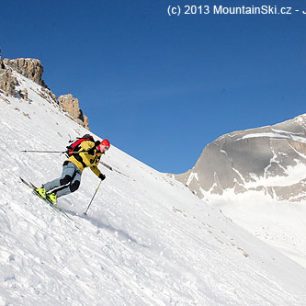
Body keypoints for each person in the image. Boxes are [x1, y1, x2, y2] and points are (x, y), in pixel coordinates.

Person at [35, 138, 111, 206]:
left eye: (107, 149)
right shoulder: (93, 144)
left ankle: (53, 195)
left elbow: (93, 167)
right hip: (72, 162)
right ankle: (43, 189)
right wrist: (89, 149)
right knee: (66, 179)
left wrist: (100, 175)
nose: (105, 150)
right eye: (105, 147)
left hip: (80, 169)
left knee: (75, 186)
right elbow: (84, 144)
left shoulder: (98, 157)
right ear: (102, 144)